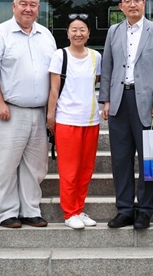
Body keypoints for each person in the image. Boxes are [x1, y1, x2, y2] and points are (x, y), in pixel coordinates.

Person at [0, 0, 57, 229]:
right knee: (5, 164)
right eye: (23, 4)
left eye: (33, 5)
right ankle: (5, 212)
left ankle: (30, 210)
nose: (28, 9)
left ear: (38, 8)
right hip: (9, 111)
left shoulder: (46, 35)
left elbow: (54, 75)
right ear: (14, 6)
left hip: (39, 111)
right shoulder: (0, 33)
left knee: (36, 166)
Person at [99, 0, 153, 230]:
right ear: (120, 6)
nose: (132, 4)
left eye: (136, 0)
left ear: (144, 3)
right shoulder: (113, 31)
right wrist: (105, 100)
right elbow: (107, 68)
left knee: (148, 160)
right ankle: (125, 209)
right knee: (120, 160)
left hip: (148, 104)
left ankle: (145, 210)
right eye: (127, 1)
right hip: (119, 102)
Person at [46, 13, 102, 230]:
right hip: (67, 119)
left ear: (88, 33)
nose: (78, 33)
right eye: (74, 29)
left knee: (85, 170)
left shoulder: (97, 56)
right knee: (69, 171)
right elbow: (54, 89)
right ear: (67, 33)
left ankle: (79, 208)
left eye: (82, 30)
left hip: (90, 120)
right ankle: (70, 213)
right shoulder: (60, 56)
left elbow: (95, 85)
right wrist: (51, 116)